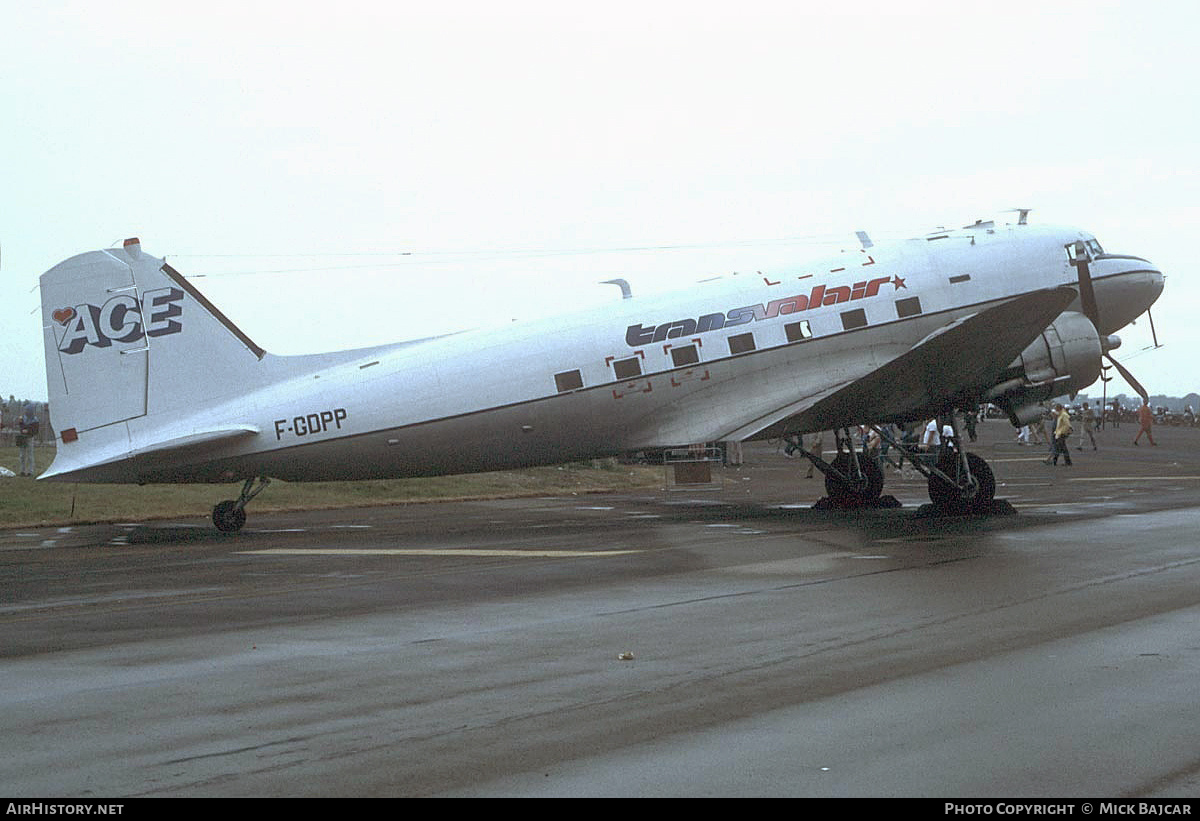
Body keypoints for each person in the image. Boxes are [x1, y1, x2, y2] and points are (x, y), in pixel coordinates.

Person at [17, 406, 39, 476]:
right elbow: (20, 426)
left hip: (30, 438)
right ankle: (22, 471)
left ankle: (30, 471)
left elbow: (36, 430)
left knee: (30, 455)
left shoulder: (35, 420)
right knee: (22, 455)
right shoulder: (22, 418)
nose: (26, 412)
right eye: (26, 410)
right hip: (22, 438)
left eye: (28, 410)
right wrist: (22, 430)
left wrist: (28, 431)